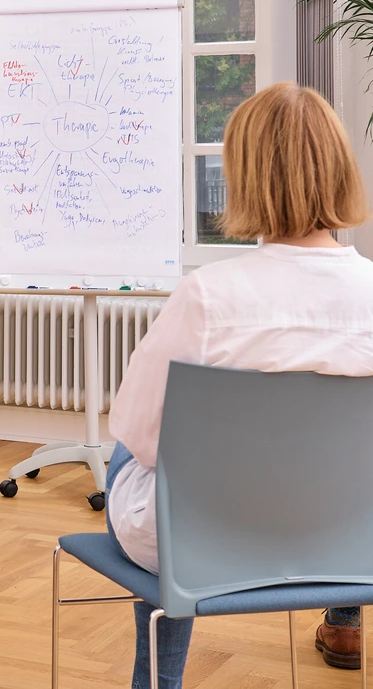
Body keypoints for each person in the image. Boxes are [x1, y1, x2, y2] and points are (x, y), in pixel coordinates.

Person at [107, 81, 373, 687]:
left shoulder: (209, 296)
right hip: (353, 538)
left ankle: (160, 682)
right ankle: (345, 615)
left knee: (129, 450)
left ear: (244, 176)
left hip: (209, 542)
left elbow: (142, 437)